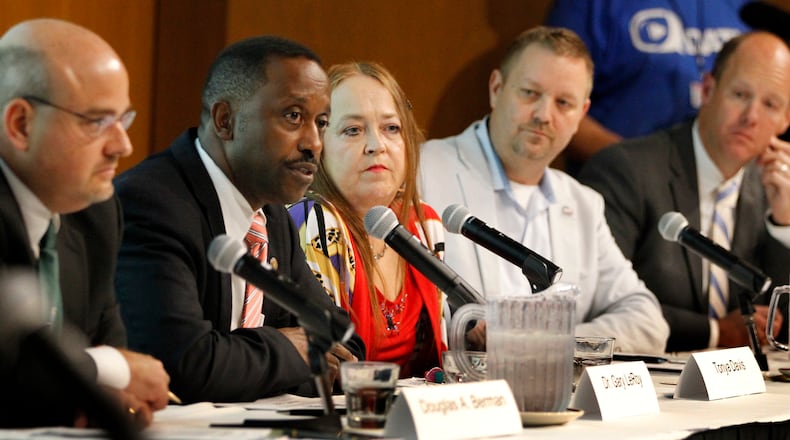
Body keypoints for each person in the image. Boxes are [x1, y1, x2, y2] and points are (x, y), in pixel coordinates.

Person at [114, 36, 365, 404]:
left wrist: (279, 358)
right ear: (225, 120)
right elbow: (184, 366)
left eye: (322, 122)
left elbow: (343, 342)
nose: (313, 142)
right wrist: (286, 348)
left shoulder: (272, 215)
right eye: (293, 116)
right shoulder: (153, 203)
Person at [418, 26, 669, 354]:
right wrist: (462, 330)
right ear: (496, 89)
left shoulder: (582, 203)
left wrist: (540, 344)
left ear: (581, 115)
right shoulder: (423, 170)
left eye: (563, 103)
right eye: (530, 93)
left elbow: (648, 322)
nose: (543, 115)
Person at [0, 19, 169, 428]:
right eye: (97, 122)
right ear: (21, 125)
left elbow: (113, 353)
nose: (123, 146)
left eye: (122, 119)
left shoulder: (96, 214)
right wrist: (104, 368)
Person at [578, 31, 790, 352]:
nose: (751, 118)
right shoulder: (627, 170)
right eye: (740, 95)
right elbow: (600, 301)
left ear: (785, 121)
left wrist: (784, 223)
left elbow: (779, 320)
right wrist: (715, 333)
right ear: (707, 90)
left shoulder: (773, 191)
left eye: (770, 104)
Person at [288, 62, 446, 378]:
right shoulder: (316, 225)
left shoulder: (424, 225)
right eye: (353, 130)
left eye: (391, 128)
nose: (377, 145)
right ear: (319, 146)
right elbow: (333, 368)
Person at [545, 0, 749, 174]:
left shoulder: (747, 9)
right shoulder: (592, 5)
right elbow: (552, 104)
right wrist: (638, 166)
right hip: (615, 191)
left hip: (716, 194)